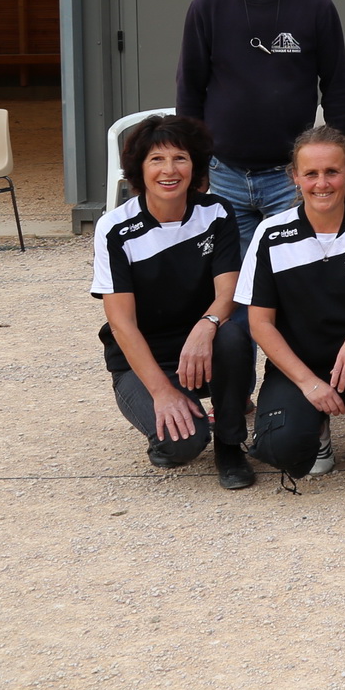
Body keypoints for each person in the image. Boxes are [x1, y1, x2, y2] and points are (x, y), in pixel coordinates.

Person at [237, 125, 345, 496]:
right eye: (311, 173)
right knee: (283, 451)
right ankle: (317, 430)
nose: (322, 183)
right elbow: (260, 323)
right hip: (300, 366)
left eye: (332, 171)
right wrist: (308, 383)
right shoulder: (271, 234)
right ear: (295, 177)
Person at [176, 0, 345, 259]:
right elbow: (189, 90)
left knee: (295, 270)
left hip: (290, 175)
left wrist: (338, 160)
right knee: (231, 280)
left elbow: (336, 89)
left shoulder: (315, 5)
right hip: (223, 172)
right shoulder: (207, 7)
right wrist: (195, 163)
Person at [91, 113, 256, 490]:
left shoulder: (216, 212)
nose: (170, 170)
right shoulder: (114, 228)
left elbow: (228, 292)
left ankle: (230, 445)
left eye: (179, 158)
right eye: (157, 160)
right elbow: (122, 324)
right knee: (182, 444)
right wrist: (163, 392)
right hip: (143, 360)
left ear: (195, 164)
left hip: (201, 348)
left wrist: (206, 325)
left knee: (231, 335)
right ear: (139, 169)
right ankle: (172, 428)